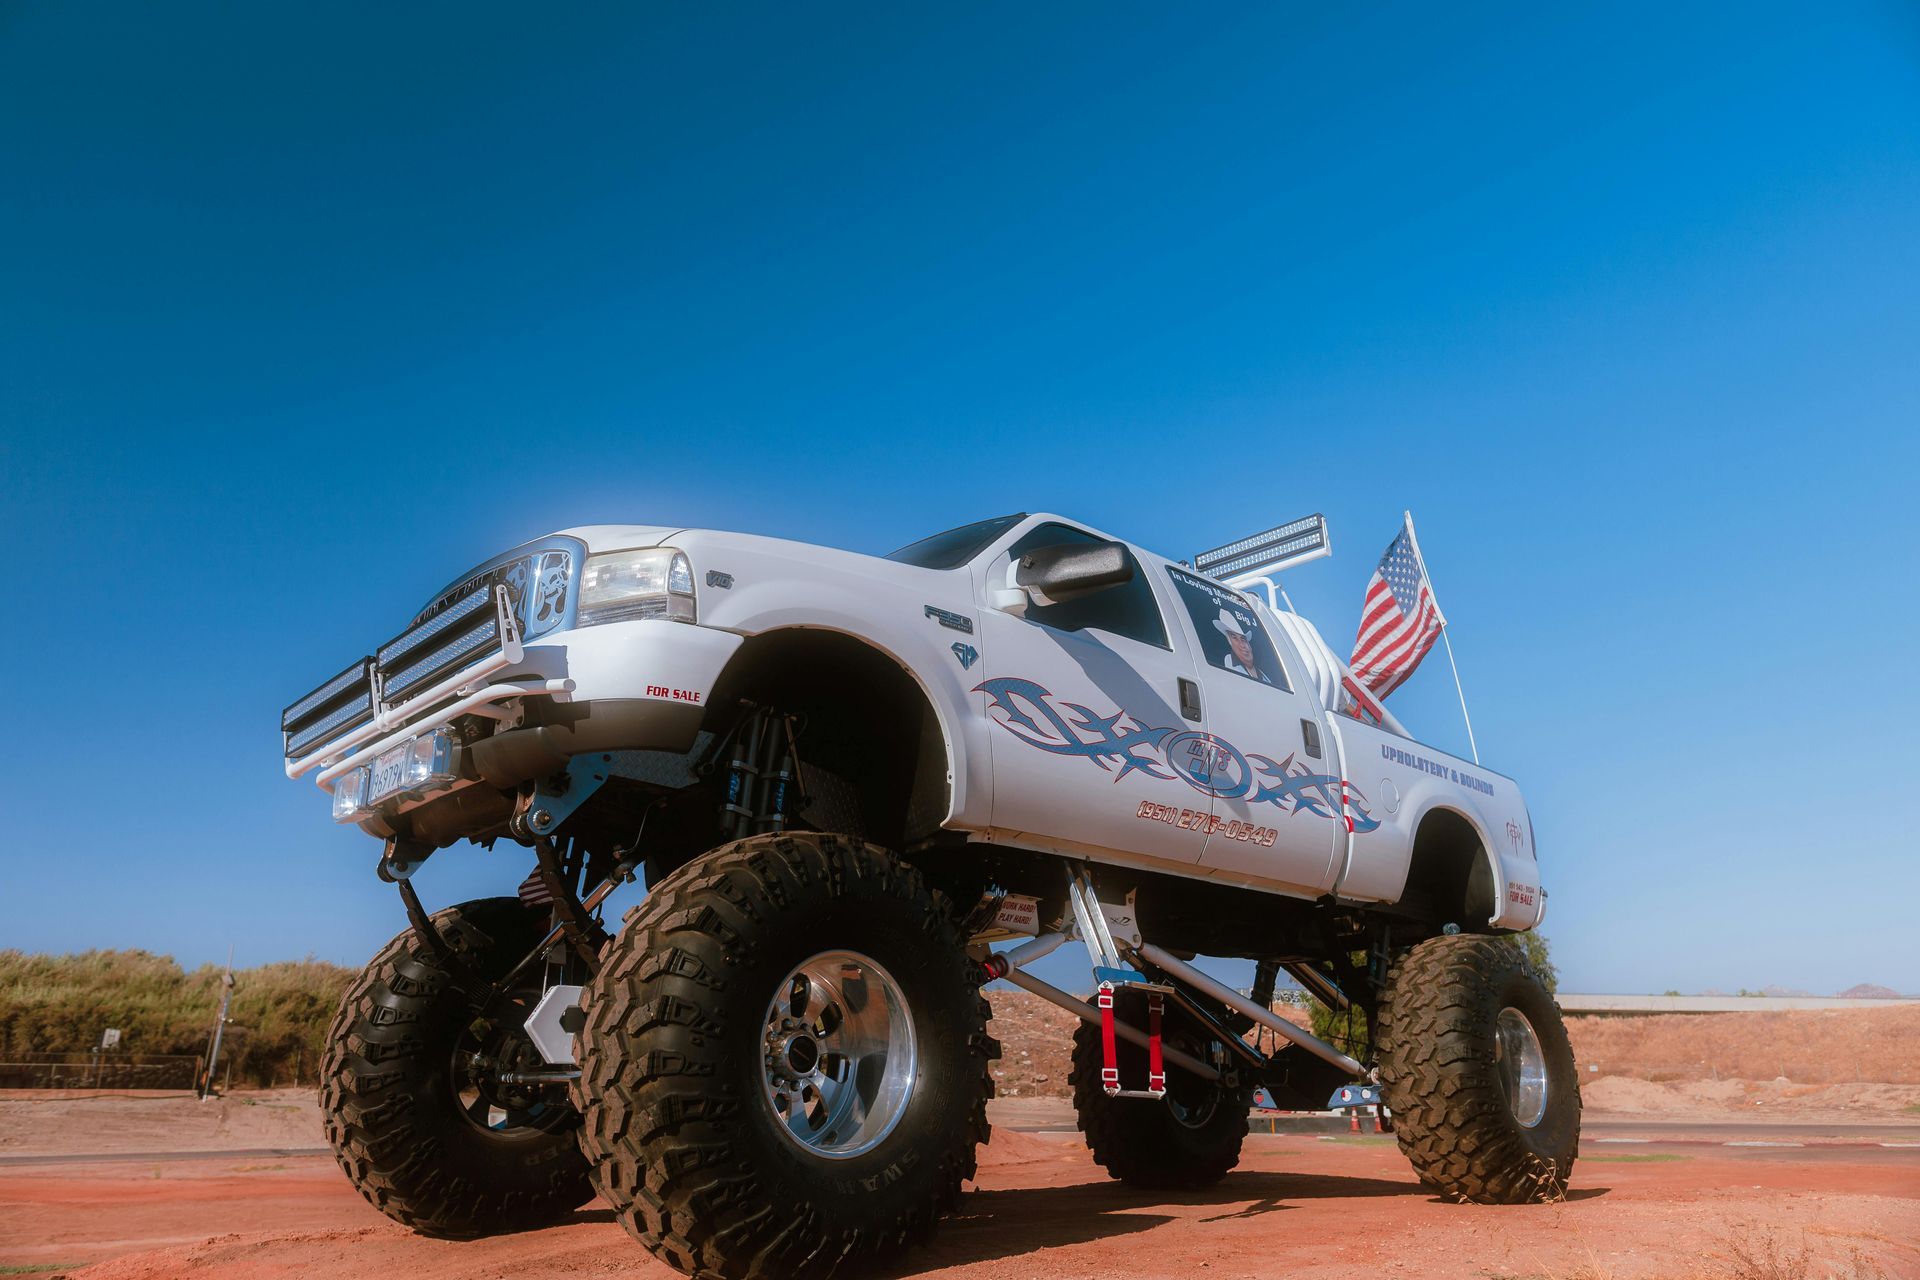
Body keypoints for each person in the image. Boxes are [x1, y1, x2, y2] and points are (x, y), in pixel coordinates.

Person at [1212, 608, 1272, 683]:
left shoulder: (1265, 678)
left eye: (1243, 639)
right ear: (1230, 642)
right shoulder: (1229, 661)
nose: (1242, 645)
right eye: (1235, 638)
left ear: (1250, 646)